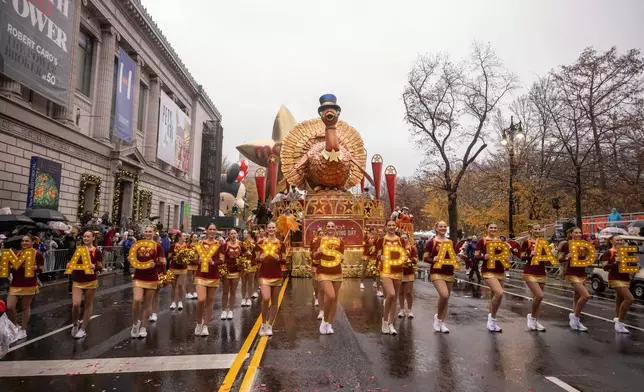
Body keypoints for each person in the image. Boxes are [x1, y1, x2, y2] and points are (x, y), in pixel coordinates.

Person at [5, 235, 44, 340]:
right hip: (16, 283)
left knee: (25, 307)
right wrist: (10, 267)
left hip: (29, 283)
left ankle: (23, 329)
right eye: (23, 241)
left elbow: (41, 269)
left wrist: (36, 268)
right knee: (9, 307)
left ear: (32, 243)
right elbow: (13, 269)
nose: (24, 243)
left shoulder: (37, 254)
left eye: (27, 241)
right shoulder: (17, 253)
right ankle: (15, 326)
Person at [130, 226, 166, 339]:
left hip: (151, 277)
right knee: (137, 300)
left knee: (147, 303)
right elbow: (132, 257)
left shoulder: (157, 246)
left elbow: (163, 262)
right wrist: (130, 259)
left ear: (154, 233)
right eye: (146, 231)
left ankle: (144, 327)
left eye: (150, 231)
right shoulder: (137, 245)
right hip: (138, 276)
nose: (148, 233)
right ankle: (135, 323)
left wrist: (156, 264)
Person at [310, 221, 345, 335]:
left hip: (337, 272)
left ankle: (329, 323)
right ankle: (324, 320)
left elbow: (341, 257)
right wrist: (318, 253)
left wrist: (342, 258)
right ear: (325, 228)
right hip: (323, 271)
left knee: (335, 299)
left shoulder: (340, 241)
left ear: (335, 228)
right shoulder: (320, 240)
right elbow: (313, 256)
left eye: (332, 226)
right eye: (328, 226)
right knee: (330, 295)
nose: (330, 228)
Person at [475, 222, 509, 332]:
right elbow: (476, 256)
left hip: (499, 270)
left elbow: (504, 254)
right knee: (499, 292)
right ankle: (491, 319)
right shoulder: (482, 241)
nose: (493, 229)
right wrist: (484, 256)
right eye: (491, 227)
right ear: (487, 229)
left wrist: (506, 259)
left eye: (495, 228)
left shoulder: (500, 241)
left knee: (495, 296)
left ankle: (493, 321)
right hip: (488, 270)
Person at [68, 231, 102, 338]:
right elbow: (71, 262)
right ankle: (75, 324)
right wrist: (69, 265)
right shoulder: (77, 249)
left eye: (88, 236)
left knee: (88, 304)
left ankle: (83, 329)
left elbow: (100, 266)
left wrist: (94, 267)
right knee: (76, 304)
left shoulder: (96, 251)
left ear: (93, 238)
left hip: (90, 281)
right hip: (77, 280)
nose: (86, 238)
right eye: (84, 236)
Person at [558, 227, 591, 332]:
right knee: (586, 296)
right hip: (571, 273)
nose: (578, 234)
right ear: (571, 234)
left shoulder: (584, 244)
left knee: (577, 297)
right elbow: (560, 258)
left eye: (580, 232)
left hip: (582, 273)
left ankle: (576, 321)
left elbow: (588, 256)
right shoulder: (567, 244)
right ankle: (575, 317)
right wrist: (567, 256)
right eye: (576, 232)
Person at [424, 221, 454, 333]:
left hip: (449, 272)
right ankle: (437, 318)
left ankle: (442, 322)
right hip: (436, 271)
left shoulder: (451, 242)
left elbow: (453, 256)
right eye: (440, 226)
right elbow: (425, 258)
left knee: (446, 298)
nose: (443, 228)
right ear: (436, 228)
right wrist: (433, 260)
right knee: (444, 295)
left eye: (445, 226)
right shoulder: (431, 242)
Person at [194, 223, 223, 336]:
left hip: (213, 275)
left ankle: (206, 325)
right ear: (206, 230)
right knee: (201, 299)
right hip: (201, 274)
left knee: (210, 301)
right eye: (210, 229)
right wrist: (198, 261)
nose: (212, 231)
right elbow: (193, 259)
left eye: (214, 229)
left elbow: (221, 260)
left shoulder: (219, 245)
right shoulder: (200, 244)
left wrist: (213, 262)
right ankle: (198, 323)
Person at [257, 222, 286, 336]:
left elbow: (284, 260)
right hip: (264, 274)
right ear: (266, 229)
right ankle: (263, 323)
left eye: (273, 227)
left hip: (276, 274)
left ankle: (270, 325)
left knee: (274, 302)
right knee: (265, 298)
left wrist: (279, 258)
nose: (271, 229)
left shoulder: (281, 243)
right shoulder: (261, 242)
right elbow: (255, 259)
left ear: (276, 229)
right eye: (269, 227)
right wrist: (260, 258)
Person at [601, 235, 634, 334]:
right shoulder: (608, 252)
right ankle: (620, 322)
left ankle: (617, 318)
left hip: (626, 278)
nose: (620, 242)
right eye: (617, 240)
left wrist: (634, 264)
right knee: (630, 298)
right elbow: (605, 267)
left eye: (621, 240)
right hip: (615, 278)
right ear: (611, 241)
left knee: (620, 299)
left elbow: (630, 263)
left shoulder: (626, 251)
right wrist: (615, 262)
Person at [377, 220, 404, 335]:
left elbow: (404, 252)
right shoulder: (381, 240)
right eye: (389, 225)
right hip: (386, 270)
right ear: (385, 227)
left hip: (398, 270)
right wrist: (381, 257)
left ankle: (391, 323)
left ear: (396, 227)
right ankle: (385, 320)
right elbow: (377, 255)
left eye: (393, 225)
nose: (392, 227)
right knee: (391, 294)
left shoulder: (400, 240)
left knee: (394, 297)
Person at [521, 224, 548, 332]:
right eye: (535, 229)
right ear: (530, 230)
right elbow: (522, 257)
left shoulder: (543, 242)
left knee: (537, 299)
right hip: (530, 271)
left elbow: (548, 257)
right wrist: (530, 254)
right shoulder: (526, 242)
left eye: (539, 229)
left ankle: (536, 321)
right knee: (539, 295)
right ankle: (531, 317)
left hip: (541, 271)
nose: (537, 230)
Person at [221, 229, 242, 320]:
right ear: (229, 235)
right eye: (231, 234)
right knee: (225, 292)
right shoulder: (224, 245)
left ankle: (231, 311)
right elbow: (221, 259)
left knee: (233, 291)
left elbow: (246, 255)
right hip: (226, 271)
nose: (233, 235)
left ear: (237, 235)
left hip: (236, 272)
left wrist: (243, 264)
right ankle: (223, 310)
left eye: (235, 233)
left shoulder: (240, 245)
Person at [398, 233, 417, 319]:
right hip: (398, 272)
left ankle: (409, 310)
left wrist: (411, 260)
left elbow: (415, 259)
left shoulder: (412, 248)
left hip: (409, 272)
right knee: (401, 292)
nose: (404, 239)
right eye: (402, 238)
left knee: (408, 292)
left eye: (405, 238)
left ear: (408, 239)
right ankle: (402, 310)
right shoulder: (396, 248)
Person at [168, 233, 188, 310]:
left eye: (185, 236)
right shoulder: (173, 245)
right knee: (173, 285)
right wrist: (176, 257)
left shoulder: (187, 246)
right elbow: (169, 256)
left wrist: (185, 257)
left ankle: (180, 302)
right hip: (174, 267)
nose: (185, 237)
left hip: (183, 267)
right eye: (184, 236)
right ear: (179, 237)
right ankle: (173, 302)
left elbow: (189, 255)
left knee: (180, 285)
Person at [240, 230, 257, 306]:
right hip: (243, 264)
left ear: (249, 235)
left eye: (245, 233)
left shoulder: (255, 244)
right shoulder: (242, 244)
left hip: (252, 264)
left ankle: (249, 299)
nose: (244, 234)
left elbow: (256, 255)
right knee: (243, 282)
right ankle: (243, 298)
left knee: (250, 282)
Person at [311, 227, 324, 312]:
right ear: (317, 235)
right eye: (320, 234)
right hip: (315, 264)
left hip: (324, 265)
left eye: (323, 235)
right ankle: (316, 297)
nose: (321, 236)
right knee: (315, 283)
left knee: (322, 284)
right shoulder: (314, 242)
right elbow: (311, 253)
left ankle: (322, 300)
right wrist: (315, 253)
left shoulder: (327, 243)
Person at [186, 233, 200, 299]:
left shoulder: (199, 245)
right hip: (190, 263)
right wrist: (191, 259)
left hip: (196, 263)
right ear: (191, 238)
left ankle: (194, 292)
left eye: (196, 237)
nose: (195, 238)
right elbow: (185, 254)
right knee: (189, 279)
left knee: (195, 279)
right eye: (194, 237)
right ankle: (188, 293)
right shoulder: (188, 245)